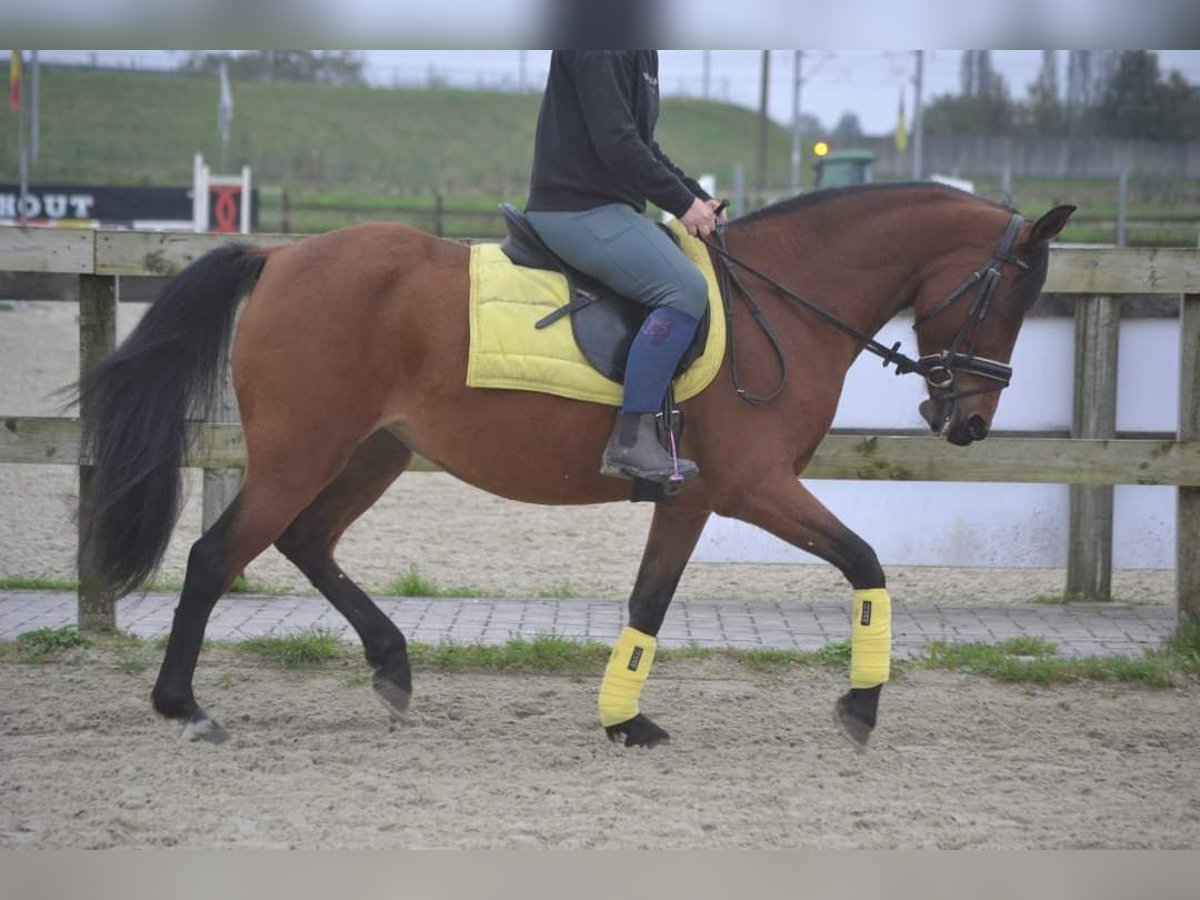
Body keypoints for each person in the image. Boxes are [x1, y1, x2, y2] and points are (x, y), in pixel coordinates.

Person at [524, 50, 725, 483]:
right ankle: (632, 439)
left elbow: (643, 145)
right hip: (576, 209)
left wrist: (694, 196)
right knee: (684, 289)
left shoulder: (640, 49)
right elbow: (617, 143)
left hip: (609, 208)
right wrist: (681, 204)